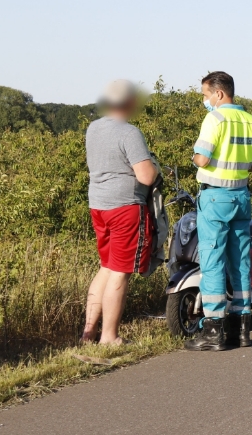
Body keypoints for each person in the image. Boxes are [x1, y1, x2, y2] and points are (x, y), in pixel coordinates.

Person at [184, 71, 252, 352]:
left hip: (215, 198)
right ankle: (242, 329)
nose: (205, 102)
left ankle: (213, 330)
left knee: (212, 263)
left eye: (206, 96)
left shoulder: (215, 119)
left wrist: (195, 157)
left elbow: (203, 158)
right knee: (241, 262)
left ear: (219, 94)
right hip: (241, 197)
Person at [82, 80, 158, 346]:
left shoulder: (94, 128)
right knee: (120, 271)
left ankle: (88, 332)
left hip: (98, 205)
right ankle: (109, 336)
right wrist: (156, 168)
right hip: (125, 206)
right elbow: (146, 176)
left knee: (105, 266)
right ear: (130, 103)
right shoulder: (129, 133)